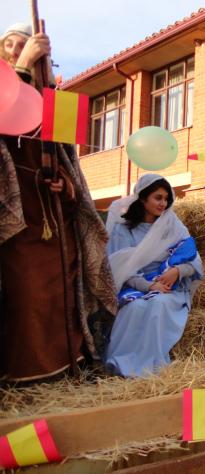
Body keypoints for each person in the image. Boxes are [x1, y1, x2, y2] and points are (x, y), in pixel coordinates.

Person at [0, 23, 117, 382]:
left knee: (63, 291)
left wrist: (65, 185)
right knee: (27, 291)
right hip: (19, 215)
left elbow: (69, 161)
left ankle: (69, 365)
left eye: (25, 45)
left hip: (54, 215)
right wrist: (22, 67)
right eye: (10, 45)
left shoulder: (56, 101)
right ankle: (24, 375)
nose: (18, 49)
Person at [105, 175, 203, 377]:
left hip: (169, 288)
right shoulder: (123, 230)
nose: (163, 203)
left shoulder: (172, 226)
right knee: (134, 308)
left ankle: (151, 368)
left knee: (159, 305)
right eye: (158, 198)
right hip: (136, 286)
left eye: (166, 199)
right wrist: (148, 286)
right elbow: (120, 268)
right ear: (142, 198)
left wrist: (177, 272)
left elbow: (194, 260)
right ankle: (122, 365)